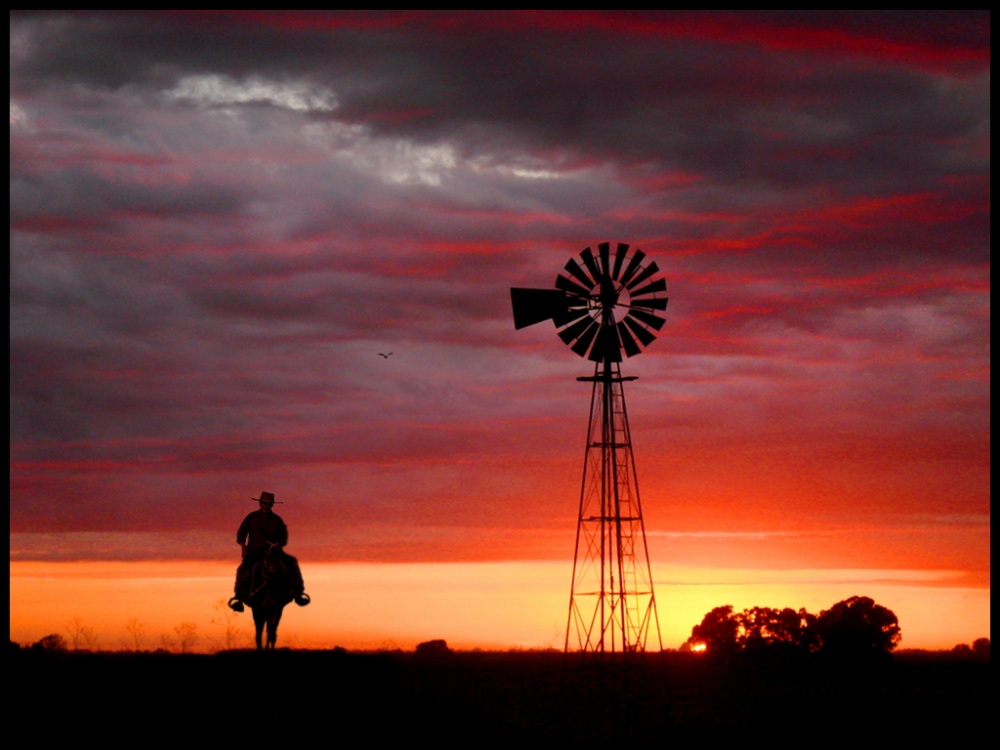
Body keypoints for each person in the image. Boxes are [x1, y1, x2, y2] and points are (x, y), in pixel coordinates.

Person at [229, 491, 308, 612]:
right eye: (264, 503)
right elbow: (241, 533)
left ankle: (298, 593)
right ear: (260, 503)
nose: (266, 506)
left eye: (269, 504)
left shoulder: (276, 520)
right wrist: (244, 548)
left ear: (272, 505)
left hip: (273, 551)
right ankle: (238, 598)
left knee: (292, 562)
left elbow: (283, 537)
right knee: (242, 569)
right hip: (255, 551)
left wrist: (277, 544)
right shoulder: (251, 517)